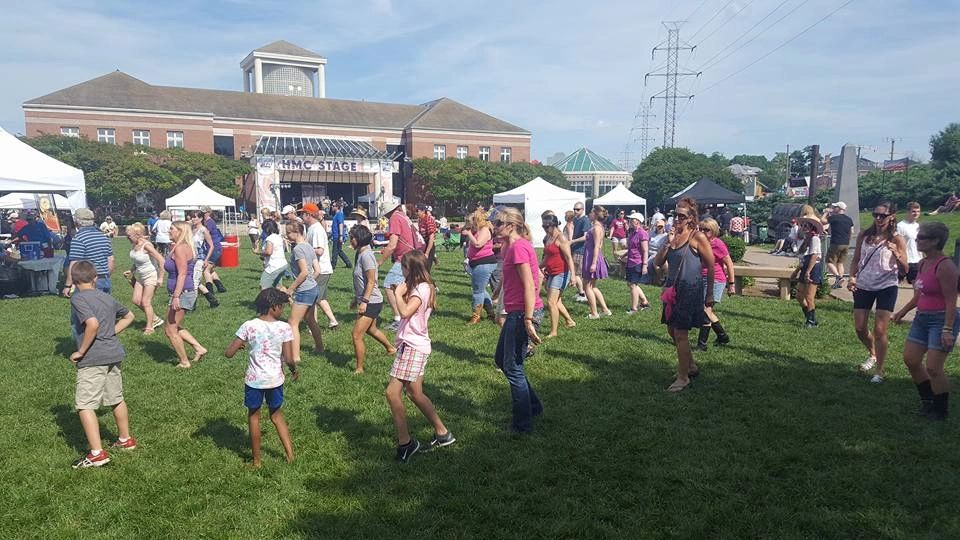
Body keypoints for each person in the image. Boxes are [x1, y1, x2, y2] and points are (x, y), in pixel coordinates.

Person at [385, 250, 455, 463]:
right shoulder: (423, 287)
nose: (402, 271)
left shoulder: (421, 289)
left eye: (404, 267)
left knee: (392, 393)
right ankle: (443, 433)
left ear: (412, 269)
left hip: (412, 346)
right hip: (417, 345)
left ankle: (405, 443)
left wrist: (398, 295)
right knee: (415, 393)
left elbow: (405, 312)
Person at [67, 260, 137, 468]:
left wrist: (81, 351)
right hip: (113, 354)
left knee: (85, 404)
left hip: (93, 358)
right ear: (95, 278)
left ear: (74, 280)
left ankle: (97, 454)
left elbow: (92, 324)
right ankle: (125, 439)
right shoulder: (105, 296)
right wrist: (111, 333)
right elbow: (130, 316)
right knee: (116, 397)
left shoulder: (78, 298)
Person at [892, 222, 959, 421]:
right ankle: (928, 400)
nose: (917, 240)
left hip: (941, 319)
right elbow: (919, 295)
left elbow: (951, 300)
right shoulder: (922, 263)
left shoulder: (945, 266)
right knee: (911, 359)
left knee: (933, 368)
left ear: (935, 241)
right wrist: (903, 311)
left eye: (922, 238)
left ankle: (940, 410)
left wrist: (947, 329)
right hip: (922, 318)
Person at [225, 288, 298, 468]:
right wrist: (293, 370)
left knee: (254, 416)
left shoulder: (248, 325)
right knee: (276, 415)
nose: (282, 310)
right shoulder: (284, 328)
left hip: (254, 380)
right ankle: (290, 455)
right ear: (274, 307)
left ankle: (256, 461)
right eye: (281, 306)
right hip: (275, 379)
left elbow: (229, 353)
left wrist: (240, 346)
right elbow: (289, 359)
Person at [653, 197, 715, 393]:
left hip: (690, 289)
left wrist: (710, 293)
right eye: (675, 215)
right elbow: (657, 262)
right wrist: (668, 243)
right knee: (672, 331)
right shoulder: (673, 236)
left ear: (691, 218)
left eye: (682, 216)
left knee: (680, 333)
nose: (677, 219)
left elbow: (711, 265)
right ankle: (691, 366)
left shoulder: (697, 237)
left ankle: (683, 377)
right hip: (672, 289)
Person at [493, 207, 543, 433]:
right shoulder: (512, 247)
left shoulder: (519, 248)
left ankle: (522, 425)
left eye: (498, 223)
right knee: (502, 359)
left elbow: (530, 286)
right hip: (517, 312)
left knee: (513, 369)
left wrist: (529, 319)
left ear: (511, 226)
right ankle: (533, 406)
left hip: (522, 314)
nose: (494, 227)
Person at [848, 202, 908, 383]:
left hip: (887, 285)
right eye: (876, 215)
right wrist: (852, 277)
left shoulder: (897, 239)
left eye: (883, 215)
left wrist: (896, 253)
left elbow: (905, 269)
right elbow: (856, 259)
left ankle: (879, 371)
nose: (879, 218)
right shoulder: (864, 235)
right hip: (864, 284)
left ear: (892, 217)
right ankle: (873, 353)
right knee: (860, 328)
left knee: (880, 330)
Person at [351, 225, 396, 374]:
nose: (350, 240)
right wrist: (356, 298)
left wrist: (364, 302)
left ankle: (359, 368)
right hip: (368, 299)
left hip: (371, 301)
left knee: (356, 335)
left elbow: (371, 281)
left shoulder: (366, 256)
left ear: (359, 239)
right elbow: (362, 281)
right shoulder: (361, 254)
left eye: (352, 238)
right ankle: (390, 348)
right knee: (371, 329)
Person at [163, 221, 207, 368]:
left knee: (170, 330)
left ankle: (184, 361)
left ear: (180, 232)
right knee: (172, 326)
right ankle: (198, 348)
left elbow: (182, 274)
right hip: (180, 292)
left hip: (182, 293)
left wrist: (176, 296)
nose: (169, 231)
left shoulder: (181, 248)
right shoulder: (179, 247)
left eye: (172, 229)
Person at [284, 222, 324, 363]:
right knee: (310, 319)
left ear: (296, 232)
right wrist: (310, 282)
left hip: (304, 290)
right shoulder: (309, 247)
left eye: (288, 233)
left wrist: (291, 289)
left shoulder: (298, 249)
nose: (286, 236)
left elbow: (304, 272)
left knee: (292, 322)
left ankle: (295, 357)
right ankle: (320, 348)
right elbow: (317, 270)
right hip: (313, 288)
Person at [695, 218, 735, 351]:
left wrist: (731, 284)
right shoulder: (699, 242)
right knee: (705, 310)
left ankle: (702, 344)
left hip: (716, 280)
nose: (703, 232)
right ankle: (722, 336)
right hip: (701, 278)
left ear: (714, 231)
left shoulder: (717, 244)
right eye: (701, 229)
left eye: (706, 230)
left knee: (706, 311)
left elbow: (729, 263)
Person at [378, 201, 418, 331]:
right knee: (405, 287)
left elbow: (393, 244)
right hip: (412, 255)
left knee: (389, 284)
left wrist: (379, 262)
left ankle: (398, 319)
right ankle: (409, 315)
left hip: (404, 258)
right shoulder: (402, 216)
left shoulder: (394, 218)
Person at [122, 223, 166, 334]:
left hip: (151, 275)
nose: (127, 238)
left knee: (146, 302)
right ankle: (155, 319)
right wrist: (131, 270)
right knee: (136, 300)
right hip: (140, 276)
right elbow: (137, 261)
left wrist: (161, 278)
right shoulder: (134, 244)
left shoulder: (147, 246)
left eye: (129, 236)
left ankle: (149, 327)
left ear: (137, 235)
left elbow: (161, 260)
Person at [300, 203, 339, 330]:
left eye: (302, 213)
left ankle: (314, 326)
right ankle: (333, 322)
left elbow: (320, 251)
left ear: (309, 215)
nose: (301, 216)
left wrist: (303, 248)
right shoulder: (312, 228)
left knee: (313, 299)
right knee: (320, 298)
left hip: (320, 270)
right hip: (319, 269)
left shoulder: (316, 229)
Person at [539, 210, 576, 338]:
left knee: (551, 302)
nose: (544, 228)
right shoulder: (548, 237)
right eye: (543, 226)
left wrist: (573, 276)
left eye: (546, 226)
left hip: (561, 273)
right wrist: (538, 267)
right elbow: (547, 257)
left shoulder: (561, 238)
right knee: (557, 301)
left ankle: (553, 332)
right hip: (551, 272)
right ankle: (570, 321)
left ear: (554, 225)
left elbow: (569, 258)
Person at [64, 208, 114, 296]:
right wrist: (104, 276)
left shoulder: (78, 239)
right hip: (105, 280)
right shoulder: (103, 237)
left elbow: (74, 264)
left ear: (77, 222)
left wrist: (68, 285)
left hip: (87, 282)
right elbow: (111, 261)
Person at [462, 208, 498, 324]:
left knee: (477, 291)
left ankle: (476, 316)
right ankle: (491, 313)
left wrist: (469, 234)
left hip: (484, 263)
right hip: (477, 263)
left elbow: (478, 244)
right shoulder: (478, 230)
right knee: (481, 289)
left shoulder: (485, 230)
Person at [582, 205, 612, 319]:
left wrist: (594, 263)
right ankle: (605, 309)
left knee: (587, 286)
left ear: (595, 214)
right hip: (592, 256)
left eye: (591, 212)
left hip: (592, 258)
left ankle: (594, 313)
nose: (589, 214)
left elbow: (597, 246)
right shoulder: (598, 227)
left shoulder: (596, 228)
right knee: (593, 286)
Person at [795, 217, 824, 329]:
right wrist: (798, 270)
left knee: (809, 296)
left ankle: (811, 321)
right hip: (805, 266)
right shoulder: (806, 239)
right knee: (799, 296)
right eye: (802, 225)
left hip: (813, 267)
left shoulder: (815, 239)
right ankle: (810, 317)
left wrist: (808, 272)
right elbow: (802, 258)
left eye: (806, 225)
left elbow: (814, 256)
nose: (803, 227)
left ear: (812, 227)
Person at [188, 211, 219, 308]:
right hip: (191, 259)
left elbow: (211, 246)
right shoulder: (191, 229)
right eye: (192, 217)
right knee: (195, 281)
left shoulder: (203, 230)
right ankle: (212, 300)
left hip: (200, 258)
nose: (192, 219)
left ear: (201, 218)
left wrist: (206, 259)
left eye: (195, 217)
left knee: (194, 282)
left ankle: (192, 305)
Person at [624, 212, 651, 313]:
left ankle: (634, 308)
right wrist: (623, 255)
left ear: (638, 221)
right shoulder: (633, 233)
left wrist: (644, 265)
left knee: (633, 285)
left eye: (632, 219)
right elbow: (632, 248)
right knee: (631, 284)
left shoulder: (642, 233)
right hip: (630, 261)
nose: (630, 221)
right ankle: (644, 302)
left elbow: (645, 251)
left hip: (637, 262)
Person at [824, 201, 855, 288]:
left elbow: (822, 221)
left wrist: (826, 213)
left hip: (836, 243)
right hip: (846, 244)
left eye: (835, 207)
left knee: (829, 261)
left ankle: (838, 277)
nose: (834, 209)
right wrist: (848, 240)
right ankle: (839, 283)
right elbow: (852, 231)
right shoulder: (849, 219)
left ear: (839, 208)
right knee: (840, 263)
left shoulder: (834, 218)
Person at [200, 206, 227, 293]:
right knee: (210, 269)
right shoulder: (207, 222)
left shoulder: (209, 222)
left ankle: (209, 290)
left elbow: (204, 233)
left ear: (209, 213)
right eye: (202, 213)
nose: (203, 214)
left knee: (206, 270)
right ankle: (221, 287)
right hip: (214, 248)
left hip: (214, 249)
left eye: (204, 213)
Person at [568, 202, 590, 302]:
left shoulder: (585, 220)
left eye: (578, 209)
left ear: (582, 210)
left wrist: (573, 241)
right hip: (575, 248)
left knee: (576, 274)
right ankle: (580, 292)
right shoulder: (576, 220)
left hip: (580, 250)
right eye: (574, 209)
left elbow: (586, 237)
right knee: (575, 272)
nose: (575, 211)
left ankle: (582, 293)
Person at [897, 201, 922, 284]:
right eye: (913, 211)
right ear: (908, 212)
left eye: (918, 211)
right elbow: (897, 244)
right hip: (905, 260)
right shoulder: (901, 226)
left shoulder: (918, 226)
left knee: (917, 286)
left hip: (917, 260)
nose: (916, 213)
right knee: (895, 283)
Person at [259, 219, 288, 290]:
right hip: (282, 264)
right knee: (278, 286)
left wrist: (257, 252)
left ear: (267, 229)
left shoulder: (270, 238)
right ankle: (289, 296)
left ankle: (265, 298)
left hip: (273, 266)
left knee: (264, 286)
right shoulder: (278, 237)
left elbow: (269, 252)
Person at [329, 201, 352, 269]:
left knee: (335, 251)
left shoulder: (339, 214)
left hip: (338, 236)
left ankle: (333, 265)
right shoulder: (336, 215)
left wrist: (341, 236)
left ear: (337, 207)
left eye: (333, 206)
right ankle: (349, 264)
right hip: (335, 235)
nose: (332, 207)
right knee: (339, 251)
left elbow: (341, 225)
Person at [644, 219, 668, 285]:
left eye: (661, 226)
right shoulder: (651, 233)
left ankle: (658, 279)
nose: (660, 228)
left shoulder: (665, 236)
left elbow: (662, 249)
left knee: (649, 264)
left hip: (657, 254)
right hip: (648, 252)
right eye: (658, 226)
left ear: (664, 227)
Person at [417, 205, 439, 270]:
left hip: (429, 244)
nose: (416, 213)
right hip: (423, 244)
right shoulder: (420, 220)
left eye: (417, 211)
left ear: (423, 211)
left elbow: (431, 238)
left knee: (426, 268)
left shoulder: (428, 220)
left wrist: (427, 253)